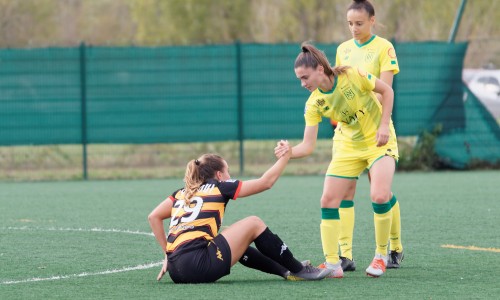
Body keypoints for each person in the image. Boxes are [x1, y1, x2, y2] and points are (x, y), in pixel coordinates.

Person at [275, 41, 398, 278]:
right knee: (328, 200)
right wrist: (289, 151)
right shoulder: (313, 102)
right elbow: (308, 146)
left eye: (305, 77)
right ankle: (333, 264)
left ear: (320, 69)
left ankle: (381, 256)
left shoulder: (352, 74)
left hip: (378, 140)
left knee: (380, 195)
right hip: (347, 146)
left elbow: (388, 91)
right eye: (299, 79)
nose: (303, 84)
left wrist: (384, 125)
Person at [148, 147, 331, 283]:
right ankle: (300, 270)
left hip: (175, 271)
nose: (230, 175)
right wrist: (286, 157)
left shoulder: (182, 193)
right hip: (199, 266)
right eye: (228, 171)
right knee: (253, 223)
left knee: (234, 233)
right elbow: (266, 182)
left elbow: (153, 216)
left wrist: (167, 253)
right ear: (219, 175)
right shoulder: (220, 186)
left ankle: (285, 270)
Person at [333, 0, 403, 271]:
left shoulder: (384, 47)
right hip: (349, 132)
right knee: (344, 191)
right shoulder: (343, 50)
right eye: (350, 23)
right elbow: (339, 88)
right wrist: (339, 117)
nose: (354, 28)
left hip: (374, 128)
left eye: (359, 23)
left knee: (380, 191)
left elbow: (383, 89)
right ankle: (345, 255)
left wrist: (381, 124)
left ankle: (394, 247)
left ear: (372, 20)